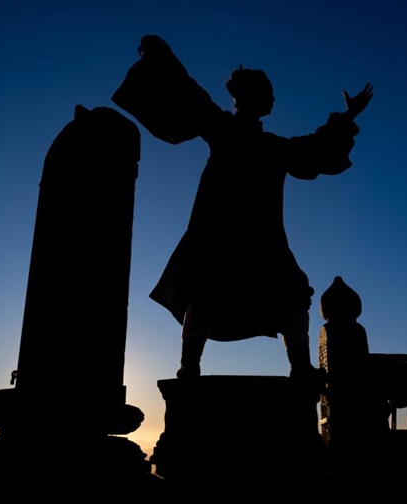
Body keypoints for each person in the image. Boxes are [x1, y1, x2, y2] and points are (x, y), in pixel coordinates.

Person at [113, 35, 372, 379]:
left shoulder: (269, 145)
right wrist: (162, 56)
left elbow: (313, 148)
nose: (274, 98)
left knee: (290, 293)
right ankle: (191, 365)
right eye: (269, 92)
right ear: (252, 97)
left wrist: (347, 115)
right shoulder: (227, 130)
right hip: (221, 232)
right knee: (207, 293)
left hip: (262, 238)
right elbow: (190, 92)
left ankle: (297, 367)